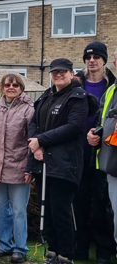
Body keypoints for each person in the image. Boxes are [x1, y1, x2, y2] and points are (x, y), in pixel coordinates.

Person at [26, 58, 89, 264]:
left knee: (61, 211)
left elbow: (74, 127)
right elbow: (34, 122)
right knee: (48, 210)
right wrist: (36, 144)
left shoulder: (78, 97)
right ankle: (52, 252)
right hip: (44, 162)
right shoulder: (46, 95)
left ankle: (66, 255)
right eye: (55, 72)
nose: (58, 75)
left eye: (63, 72)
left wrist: (41, 141)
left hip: (65, 164)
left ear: (71, 74)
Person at [0, 74, 34, 263]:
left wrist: (30, 167)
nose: (11, 87)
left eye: (15, 84)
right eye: (8, 84)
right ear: (2, 87)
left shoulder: (29, 109)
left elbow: (32, 141)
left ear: (21, 87)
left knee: (19, 209)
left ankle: (20, 247)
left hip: (19, 167)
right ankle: (4, 245)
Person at [74, 41, 116, 263]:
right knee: (79, 202)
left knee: (102, 204)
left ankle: (103, 250)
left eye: (96, 57)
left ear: (104, 60)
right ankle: (80, 247)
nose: (92, 60)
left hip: (104, 155)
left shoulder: (113, 85)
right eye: (88, 57)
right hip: (78, 152)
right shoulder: (75, 84)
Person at [87, 47, 117, 259]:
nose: (92, 61)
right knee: (113, 213)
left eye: (96, 57)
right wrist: (93, 135)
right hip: (109, 162)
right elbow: (101, 120)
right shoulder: (111, 91)